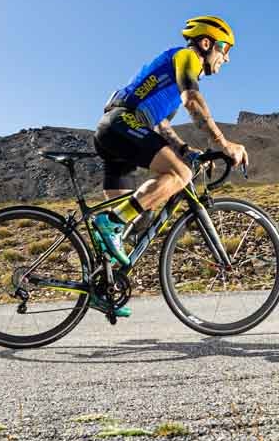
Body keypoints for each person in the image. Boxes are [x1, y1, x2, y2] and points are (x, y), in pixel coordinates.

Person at [92, 15, 250, 273]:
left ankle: (103, 288)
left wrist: (186, 150)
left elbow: (162, 126)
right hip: (123, 124)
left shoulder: (169, 83)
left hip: (114, 131)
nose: (227, 58)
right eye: (226, 49)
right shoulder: (187, 57)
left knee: (137, 221)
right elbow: (193, 100)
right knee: (180, 174)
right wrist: (223, 143)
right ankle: (110, 224)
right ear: (208, 43)